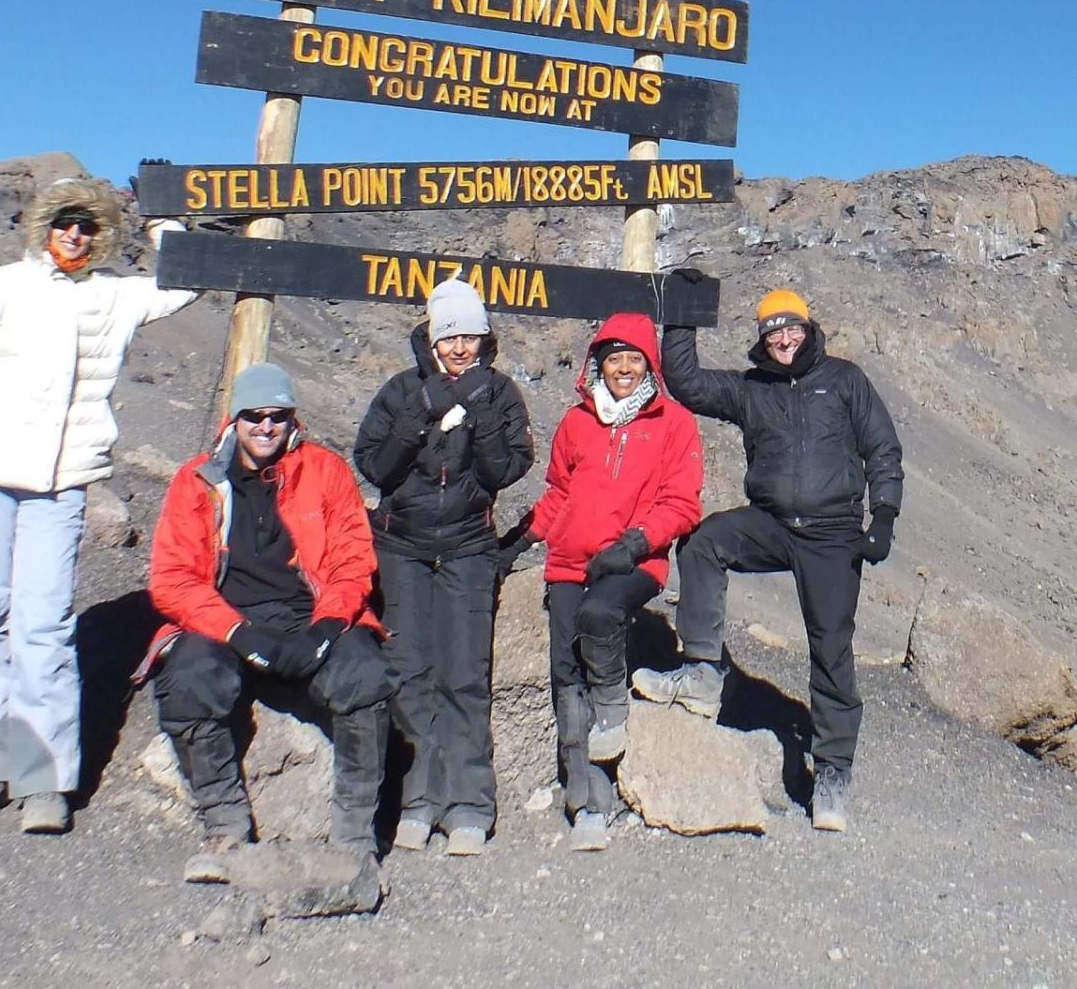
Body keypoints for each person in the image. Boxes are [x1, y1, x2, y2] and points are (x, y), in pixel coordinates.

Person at [0, 175, 196, 832]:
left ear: (102, 235)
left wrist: (163, 219)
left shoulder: (116, 297)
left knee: (41, 625)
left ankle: (44, 780)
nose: (75, 233)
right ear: (44, 225)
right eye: (65, 220)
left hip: (61, 482)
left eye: (89, 224)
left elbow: (188, 280)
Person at [632, 288, 904, 833]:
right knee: (705, 542)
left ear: (808, 328)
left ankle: (831, 772)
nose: (783, 338)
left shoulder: (844, 380)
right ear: (762, 337)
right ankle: (704, 672)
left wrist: (885, 517)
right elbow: (686, 383)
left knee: (830, 648)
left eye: (792, 328)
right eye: (772, 331)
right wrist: (681, 318)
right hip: (773, 525)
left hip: (831, 534)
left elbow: (883, 448)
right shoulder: (750, 389)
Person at [141, 362, 396, 880]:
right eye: (253, 415)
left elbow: (353, 558)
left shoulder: (325, 471)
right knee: (188, 681)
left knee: (367, 678)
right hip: (227, 622)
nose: (265, 426)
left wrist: (326, 630)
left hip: (308, 614)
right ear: (234, 419)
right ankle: (224, 826)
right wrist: (238, 633)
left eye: (276, 415)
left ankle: (353, 837)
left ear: (291, 418)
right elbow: (172, 578)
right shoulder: (198, 481)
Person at [502, 313, 702, 850]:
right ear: (598, 363)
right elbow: (558, 495)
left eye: (634, 359)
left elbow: (682, 504)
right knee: (565, 671)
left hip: (635, 562)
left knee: (599, 616)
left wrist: (635, 543)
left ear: (649, 365)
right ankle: (586, 797)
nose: (623, 368)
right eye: (614, 358)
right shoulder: (576, 422)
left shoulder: (675, 424)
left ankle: (613, 708)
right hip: (570, 562)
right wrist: (518, 543)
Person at [354, 278, 533, 856]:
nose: (460, 347)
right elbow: (376, 467)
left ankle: (469, 806)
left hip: (467, 548)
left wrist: (477, 415)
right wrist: (420, 414)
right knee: (408, 672)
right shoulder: (401, 389)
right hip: (402, 549)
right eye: (449, 335)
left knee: (464, 672)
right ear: (432, 335)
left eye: (470, 336)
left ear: (485, 337)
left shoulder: (500, 392)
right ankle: (417, 801)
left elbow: (506, 471)